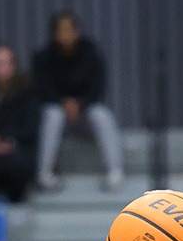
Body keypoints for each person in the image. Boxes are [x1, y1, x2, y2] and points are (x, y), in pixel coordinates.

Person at [34, 11, 125, 191]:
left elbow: (98, 87)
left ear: (77, 31)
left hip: (86, 110)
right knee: (52, 115)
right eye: (61, 30)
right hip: (59, 111)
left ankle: (115, 171)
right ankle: (44, 173)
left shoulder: (90, 52)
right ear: (55, 33)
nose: (66, 35)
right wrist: (64, 103)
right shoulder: (45, 56)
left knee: (102, 115)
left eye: (70, 30)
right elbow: (43, 89)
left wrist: (80, 104)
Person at [0, 45, 41, 202]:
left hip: (17, 146)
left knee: (17, 162)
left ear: (14, 66)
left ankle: (15, 199)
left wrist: (2, 138)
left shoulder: (27, 91)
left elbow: (31, 128)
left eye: (5, 63)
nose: (1, 68)